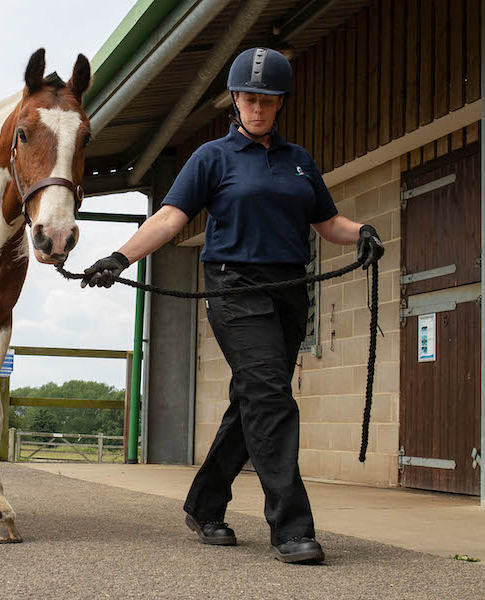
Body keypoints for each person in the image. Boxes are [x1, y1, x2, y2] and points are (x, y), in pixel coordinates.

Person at [81, 47, 384, 565]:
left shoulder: (298, 161)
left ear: (280, 102)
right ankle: (291, 527)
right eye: (248, 98)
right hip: (233, 287)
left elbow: (327, 223)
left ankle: (204, 503)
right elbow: (171, 217)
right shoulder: (211, 158)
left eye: (266, 99)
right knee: (270, 398)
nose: (257, 107)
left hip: (289, 289)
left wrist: (363, 233)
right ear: (235, 101)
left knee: (253, 400)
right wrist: (119, 257)